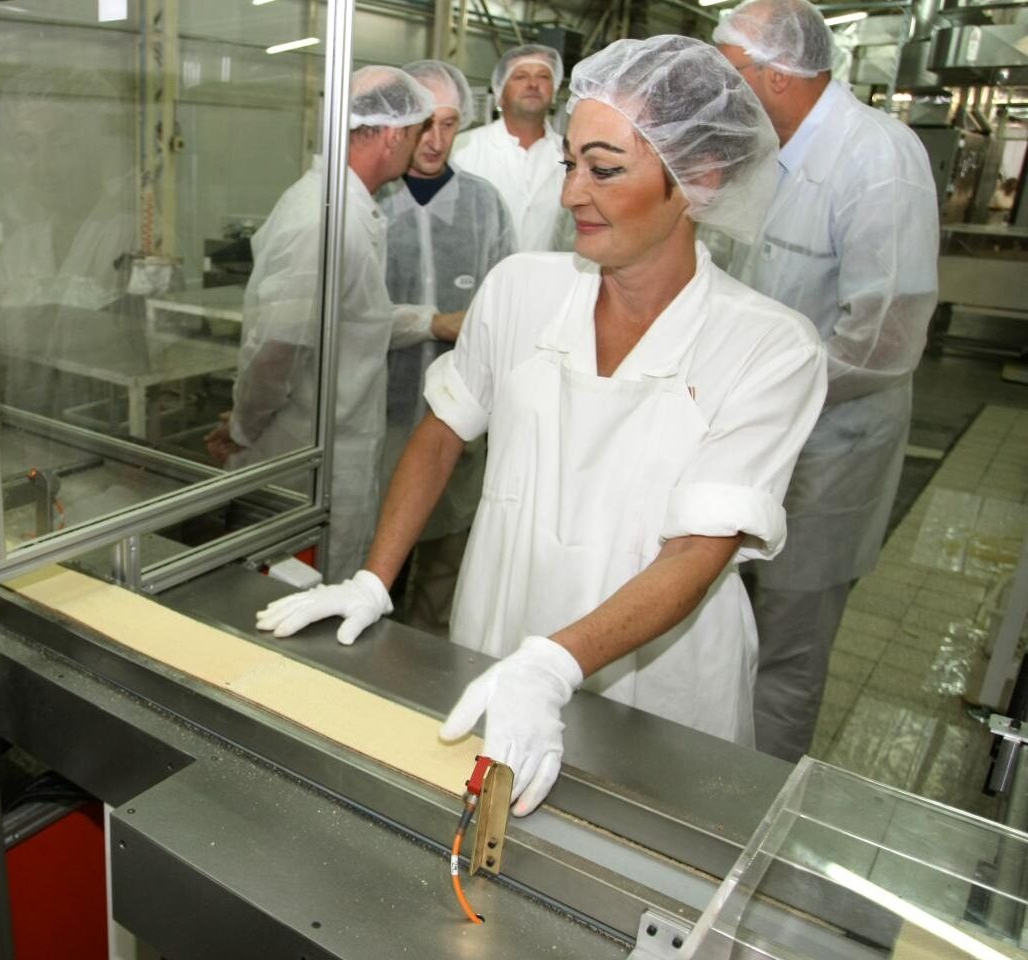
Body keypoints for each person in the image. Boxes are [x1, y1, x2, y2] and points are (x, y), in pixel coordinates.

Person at [257, 36, 828, 816]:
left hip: (657, 691)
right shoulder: (521, 290)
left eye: (604, 169)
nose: (571, 195)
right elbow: (442, 433)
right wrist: (374, 578)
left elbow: (700, 549)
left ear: (699, 178)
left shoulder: (769, 346)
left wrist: (555, 665)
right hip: (498, 639)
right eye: (569, 164)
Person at [715, 0, 940, 762]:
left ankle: (755, 799)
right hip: (753, 431)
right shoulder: (762, 151)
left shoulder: (876, 159)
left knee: (788, 643)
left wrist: (769, 393)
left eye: (730, 71)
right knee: (727, 622)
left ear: (776, 76)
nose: (721, 88)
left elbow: (885, 339)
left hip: (829, 448)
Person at [206, 66, 463, 583]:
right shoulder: (325, 219)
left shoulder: (347, 207)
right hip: (300, 462)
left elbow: (351, 319)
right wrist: (242, 428)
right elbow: (277, 349)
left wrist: (432, 323)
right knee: (293, 593)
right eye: (418, 131)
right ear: (391, 134)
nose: (423, 145)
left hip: (324, 455)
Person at [375, 59, 517, 631]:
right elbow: (347, 319)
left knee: (445, 576)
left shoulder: (485, 206)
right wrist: (434, 323)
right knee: (374, 564)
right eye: (424, 124)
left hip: (461, 425)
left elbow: (507, 311)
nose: (435, 140)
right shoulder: (371, 201)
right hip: (377, 419)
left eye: (450, 124)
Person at [452, 44, 568, 252]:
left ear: (554, 91)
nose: (533, 84)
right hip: (481, 272)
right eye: (520, 76)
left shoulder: (571, 156)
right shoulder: (462, 149)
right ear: (500, 92)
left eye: (543, 76)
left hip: (547, 272)